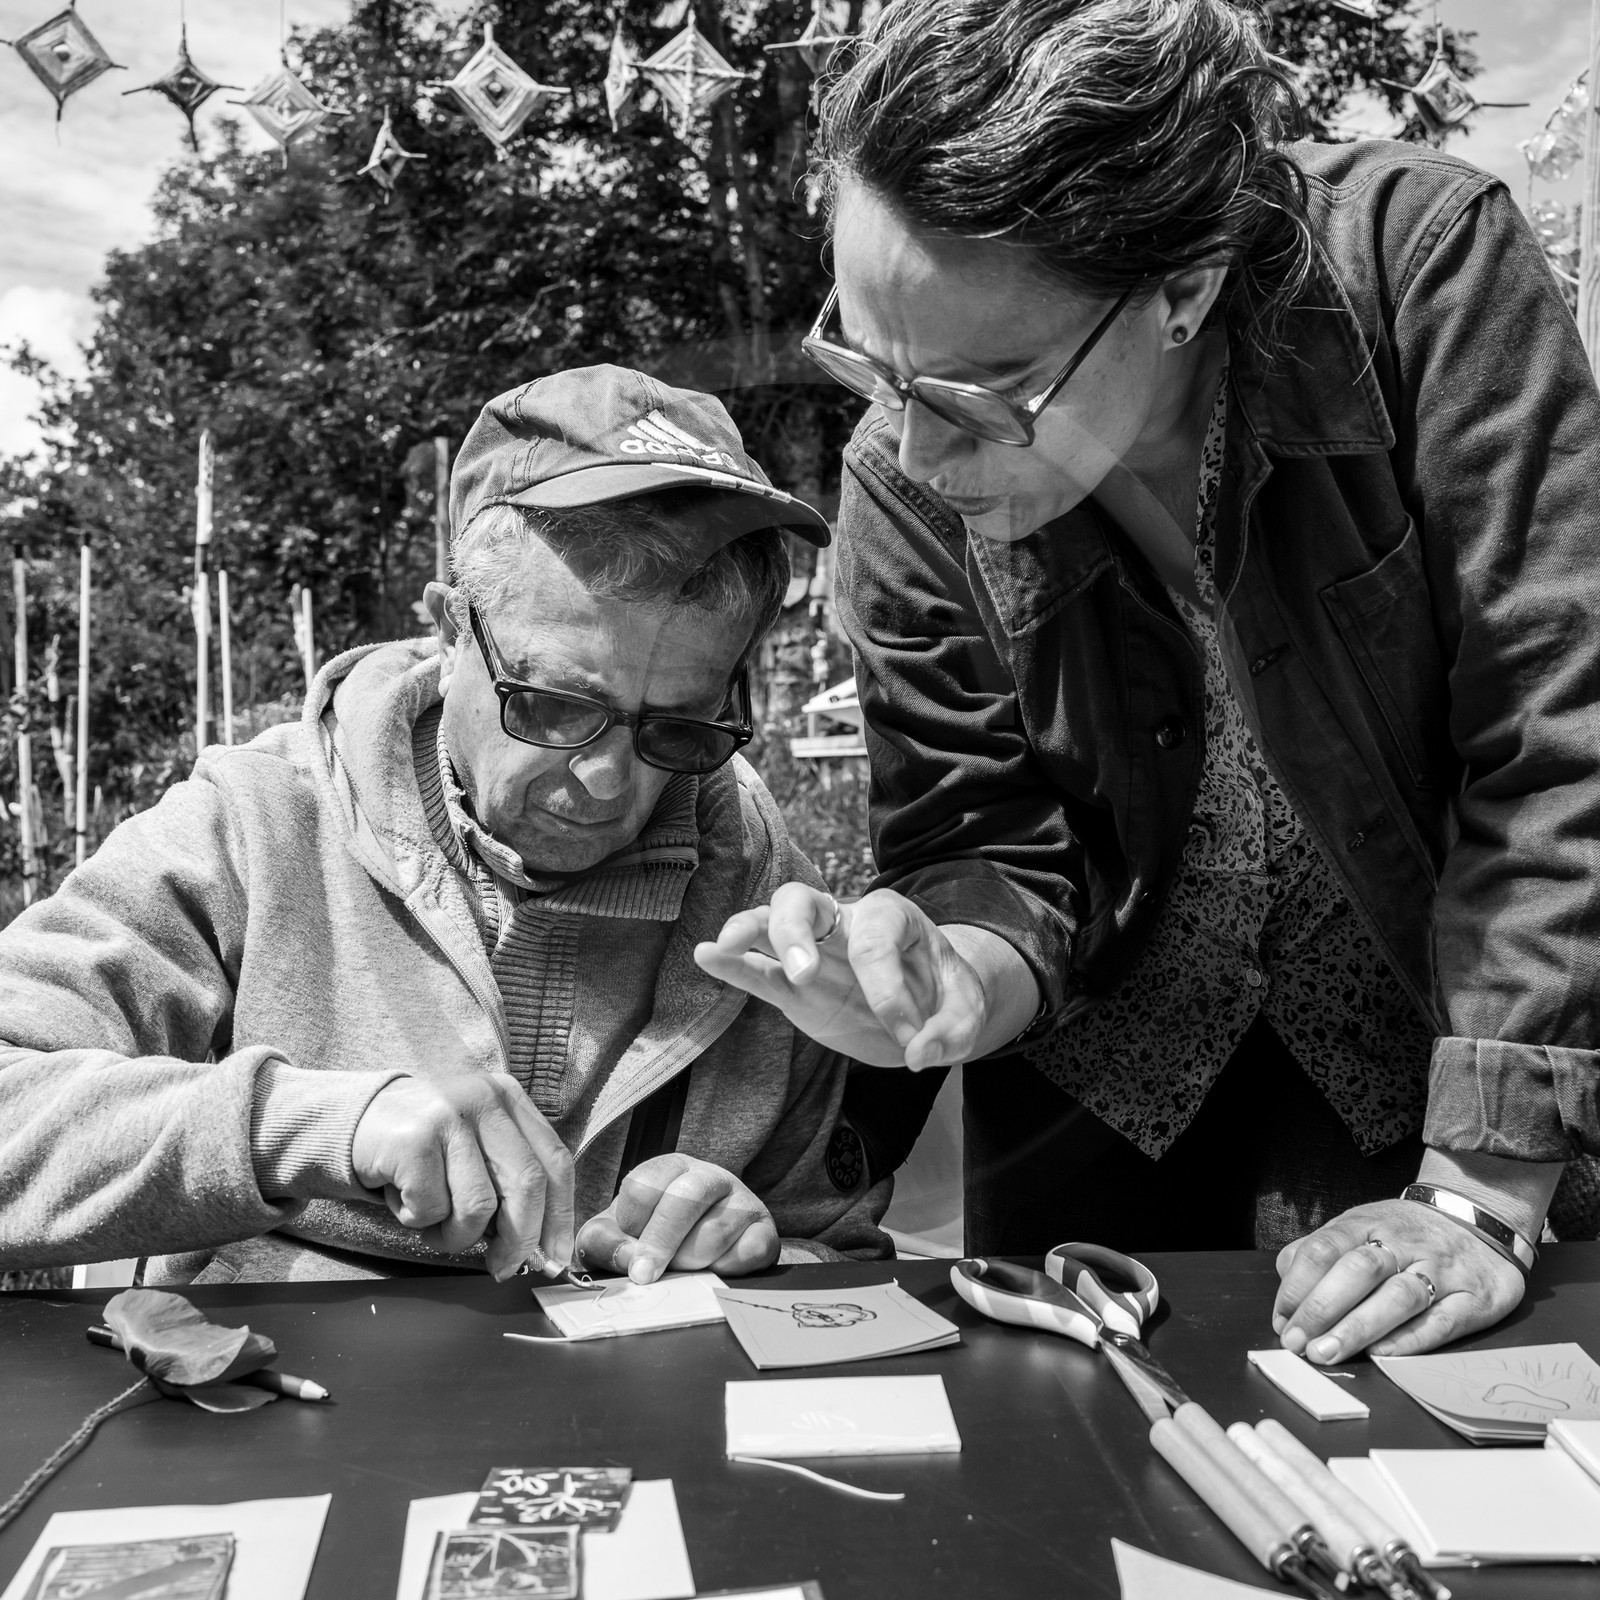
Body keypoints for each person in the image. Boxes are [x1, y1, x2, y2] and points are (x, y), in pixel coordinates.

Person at [696, 0, 1600, 1366]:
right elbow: (985, 842)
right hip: (1096, 1111)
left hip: (1445, 1077)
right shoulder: (902, 463)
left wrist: (1482, 1188)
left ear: (1183, 287)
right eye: (874, 371)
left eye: (982, 395)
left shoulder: (1422, 274)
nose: (914, 456)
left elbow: (1557, 737)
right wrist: (953, 975)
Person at [0, 366, 892, 1285]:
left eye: (679, 725)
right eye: (551, 706)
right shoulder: (255, 823)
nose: (605, 781)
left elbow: (842, 1254)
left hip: (619, 1420)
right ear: (450, 629)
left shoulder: (758, 879)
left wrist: (762, 1251)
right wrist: (305, 1127)